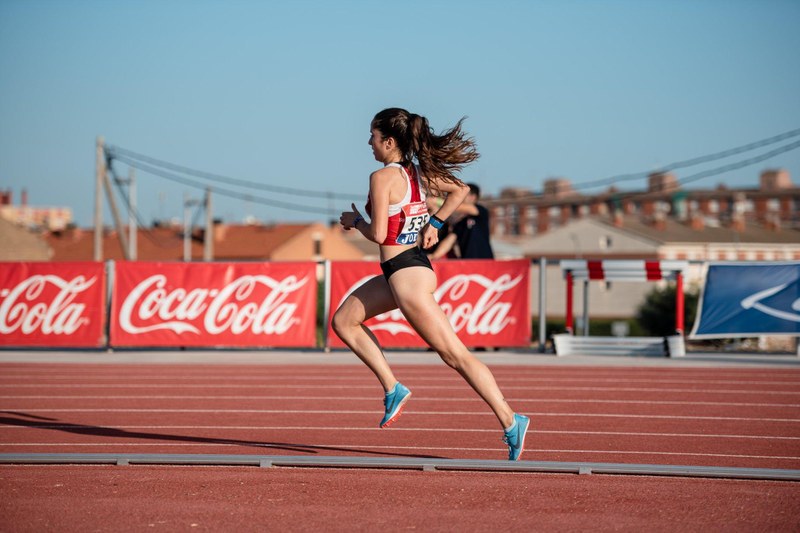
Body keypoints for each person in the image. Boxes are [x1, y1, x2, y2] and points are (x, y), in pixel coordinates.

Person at [334, 108, 529, 461]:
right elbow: (461, 190)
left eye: (373, 137)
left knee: (454, 355)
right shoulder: (418, 174)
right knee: (344, 320)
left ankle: (510, 419)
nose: (369, 143)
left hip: (406, 276)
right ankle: (393, 387)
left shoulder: (382, 178)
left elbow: (378, 233)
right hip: (406, 270)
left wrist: (355, 221)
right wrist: (436, 223)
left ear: (389, 142)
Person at [452, 183, 494, 259]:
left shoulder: (481, 211)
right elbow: (450, 239)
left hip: (485, 261)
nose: (460, 197)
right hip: (466, 262)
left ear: (473, 197)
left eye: (464, 194)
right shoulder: (460, 223)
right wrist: (434, 255)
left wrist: (438, 202)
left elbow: (459, 207)